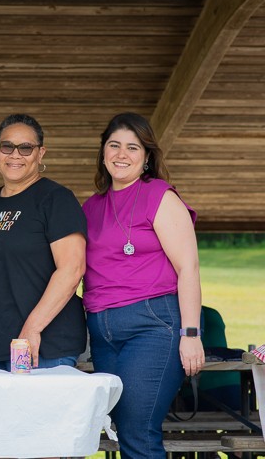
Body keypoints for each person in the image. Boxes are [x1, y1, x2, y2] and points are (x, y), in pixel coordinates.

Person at [82, 112, 203, 459]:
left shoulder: (160, 196)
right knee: (122, 426)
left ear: (147, 156)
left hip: (153, 324)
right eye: (114, 145)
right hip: (102, 330)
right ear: (103, 152)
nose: (122, 154)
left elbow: (189, 268)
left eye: (132, 147)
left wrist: (190, 333)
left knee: (138, 430)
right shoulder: (91, 207)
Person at [0, 114, 87, 371]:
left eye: (26, 148)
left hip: (44, 346)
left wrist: (31, 329)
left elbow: (72, 270)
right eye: (7, 146)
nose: (15, 155)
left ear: (40, 153)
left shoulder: (56, 200)